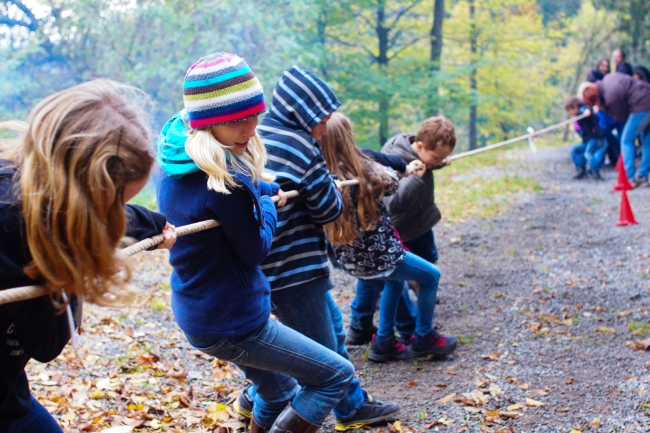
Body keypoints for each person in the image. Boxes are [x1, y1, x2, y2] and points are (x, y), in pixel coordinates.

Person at [157, 53, 355, 433]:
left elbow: (225, 195)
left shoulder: (179, 163)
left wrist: (265, 189)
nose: (250, 128)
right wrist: (266, 206)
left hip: (199, 312)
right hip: (237, 322)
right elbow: (255, 251)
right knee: (334, 375)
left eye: (254, 116)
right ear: (208, 122)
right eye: (237, 121)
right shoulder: (226, 182)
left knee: (277, 392)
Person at [0, 80, 177, 432]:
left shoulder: (30, 190)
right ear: (84, 195)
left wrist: (155, 226)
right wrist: (74, 264)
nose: (115, 217)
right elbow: (47, 343)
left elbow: (109, 219)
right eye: (114, 205)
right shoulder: (19, 228)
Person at [242, 65, 399, 432]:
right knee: (325, 362)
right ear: (305, 114)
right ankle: (261, 400)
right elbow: (330, 209)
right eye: (323, 118)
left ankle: (351, 404)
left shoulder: (262, 135)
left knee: (331, 328)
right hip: (295, 270)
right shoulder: (301, 145)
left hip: (269, 264)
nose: (326, 127)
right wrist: (327, 184)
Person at [320, 113, 457, 363]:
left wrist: (409, 165)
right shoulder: (363, 167)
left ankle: (383, 342)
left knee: (394, 283)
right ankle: (424, 335)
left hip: (350, 257)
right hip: (379, 253)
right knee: (430, 277)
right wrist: (407, 173)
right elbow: (391, 185)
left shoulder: (319, 174)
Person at [581, 73, 650, 187]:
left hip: (641, 106)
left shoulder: (610, 97)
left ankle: (629, 177)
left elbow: (621, 118)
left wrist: (602, 108)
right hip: (647, 97)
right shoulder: (608, 78)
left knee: (626, 140)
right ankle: (643, 175)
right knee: (647, 141)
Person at [565, 95, 607, 180]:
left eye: (570, 110)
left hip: (595, 138)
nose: (570, 113)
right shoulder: (578, 115)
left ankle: (595, 171)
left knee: (588, 153)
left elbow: (587, 111)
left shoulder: (583, 109)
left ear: (575, 106)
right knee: (575, 150)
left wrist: (587, 112)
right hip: (587, 140)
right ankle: (581, 170)